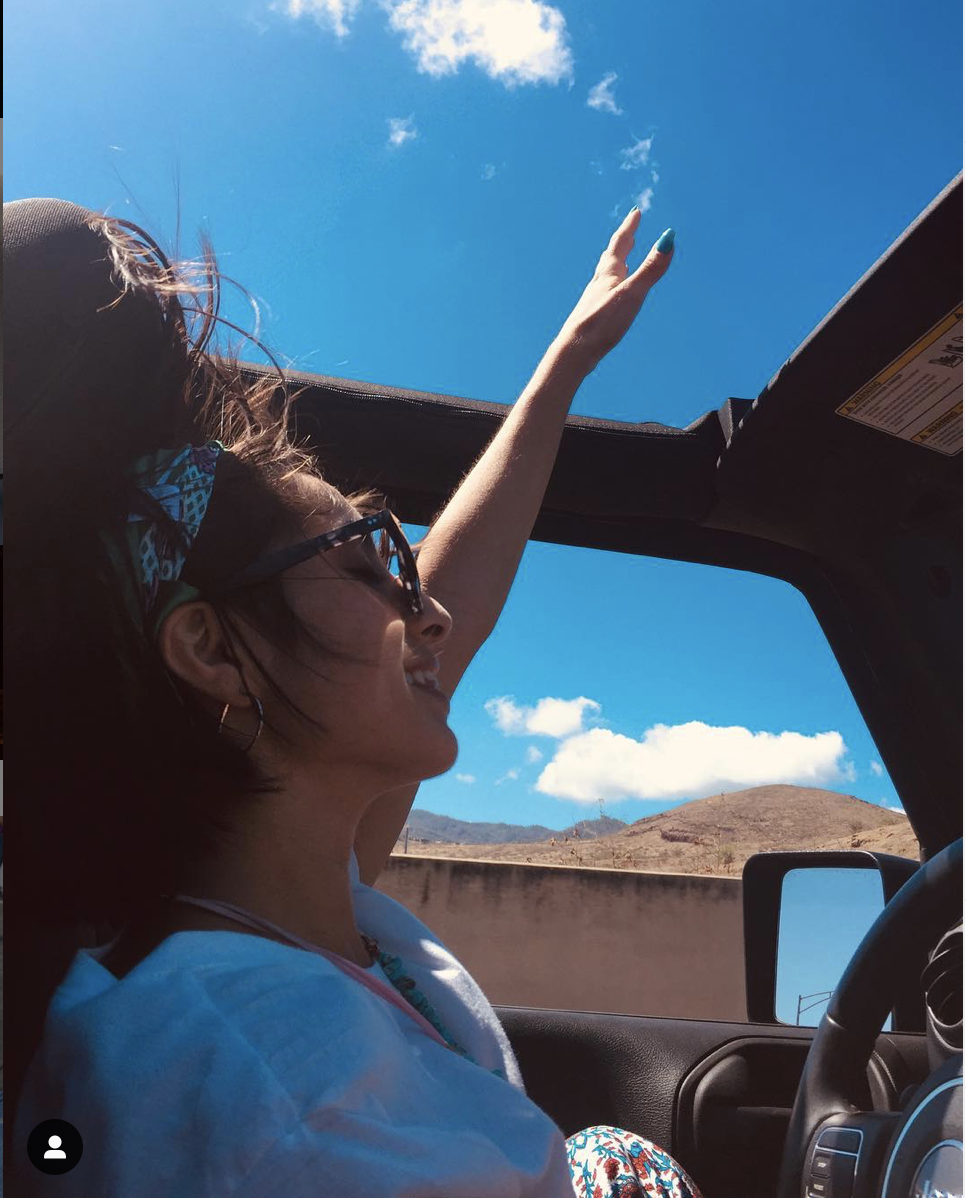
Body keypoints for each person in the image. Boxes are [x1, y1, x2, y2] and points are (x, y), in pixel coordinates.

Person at [7, 196, 702, 1196]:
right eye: (364, 561)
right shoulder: (293, 1111)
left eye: (400, 566)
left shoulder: (287, 904)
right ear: (211, 648)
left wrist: (568, 361)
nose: (430, 616)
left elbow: (455, 594)